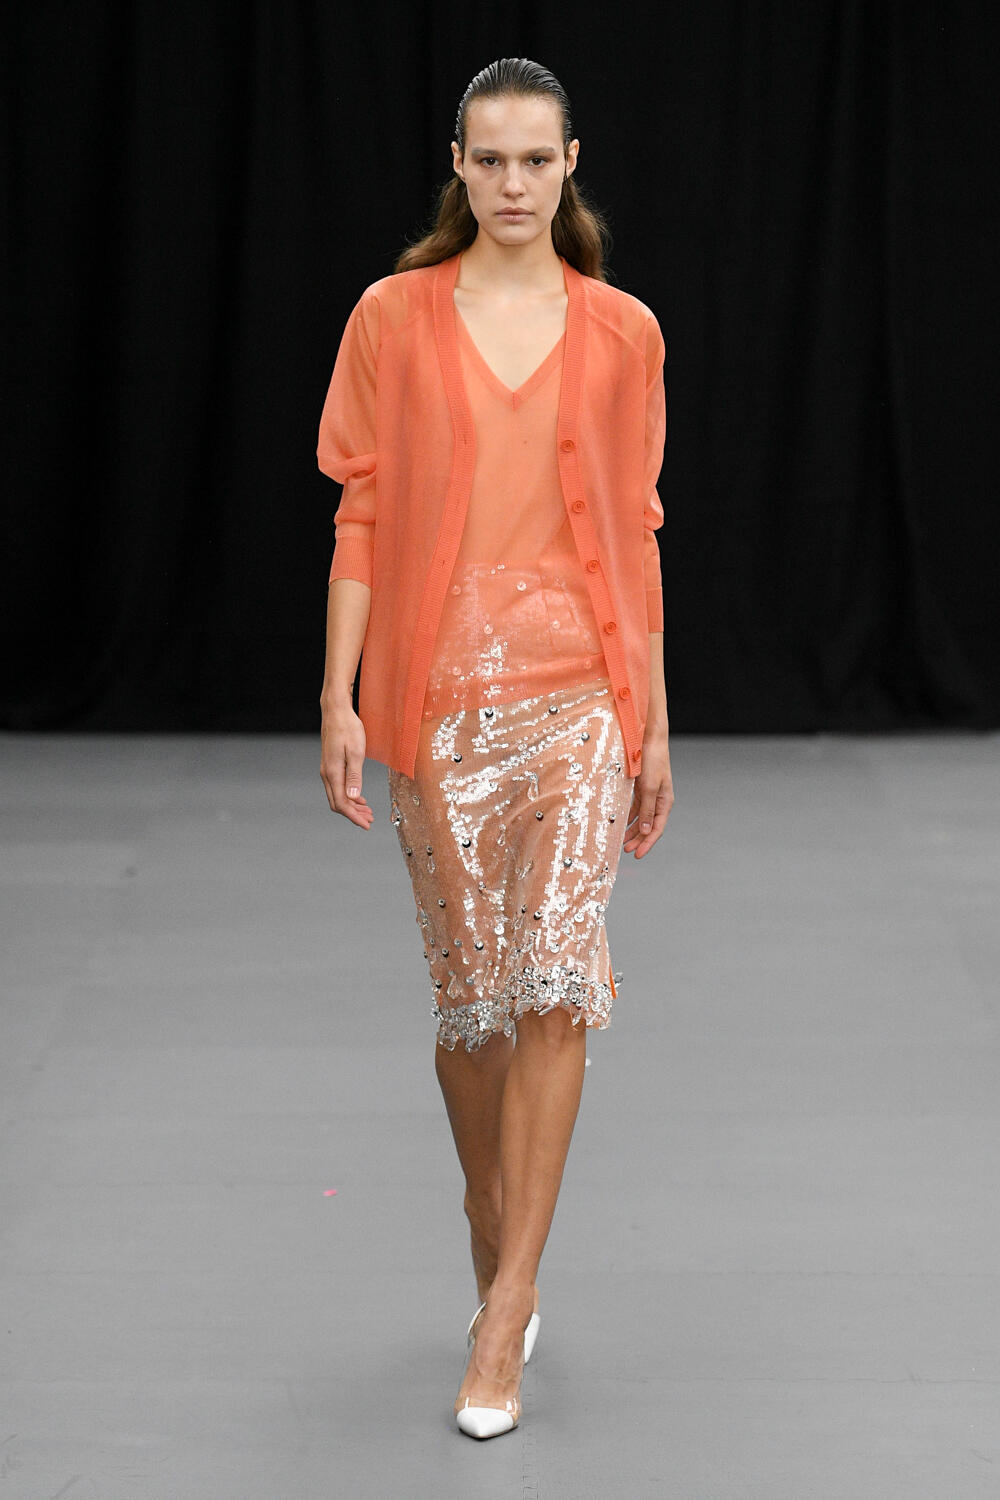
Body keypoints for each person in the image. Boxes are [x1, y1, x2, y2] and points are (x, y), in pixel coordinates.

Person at [317, 56, 674, 1440]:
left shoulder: (624, 332)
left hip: (582, 696)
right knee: (471, 1014)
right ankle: (490, 1209)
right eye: (490, 159)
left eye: (537, 159)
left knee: (558, 986)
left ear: (572, 163)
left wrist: (653, 721)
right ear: (458, 167)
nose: (513, 183)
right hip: (441, 699)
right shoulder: (392, 318)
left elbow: (635, 533)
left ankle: (507, 1302)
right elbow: (360, 510)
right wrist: (339, 695)